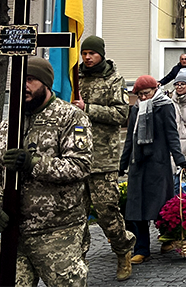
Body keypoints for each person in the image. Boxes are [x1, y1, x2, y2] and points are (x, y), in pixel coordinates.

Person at [0, 57, 91, 287]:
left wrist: (34, 163)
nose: (24, 86)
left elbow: (79, 165)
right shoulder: (9, 123)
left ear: (46, 84)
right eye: (19, 80)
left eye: (30, 80)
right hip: (15, 233)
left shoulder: (71, 118)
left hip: (59, 232)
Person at [71, 35, 134, 280]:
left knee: (107, 212)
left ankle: (123, 250)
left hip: (103, 158)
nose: (87, 57)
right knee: (76, 214)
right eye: (84, 53)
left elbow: (121, 113)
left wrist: (88, 109)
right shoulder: (74, 78)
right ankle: (77, 261)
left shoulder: (113, 79)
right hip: (75, 157)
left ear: (101, 54)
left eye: (92, 53)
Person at [122, 75, 186, 263]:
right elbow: (130, 138)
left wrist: (180, 159)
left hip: (158, 165)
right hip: (138, 164)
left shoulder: (164, 106)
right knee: (138, 210)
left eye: (146, 93)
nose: (143, 98)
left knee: (161, 207)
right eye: (139, 95)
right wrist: (123, 163)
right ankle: (142, 249)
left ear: (155, 90)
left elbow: (171, 134)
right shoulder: (135, 109)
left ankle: (167, 238)